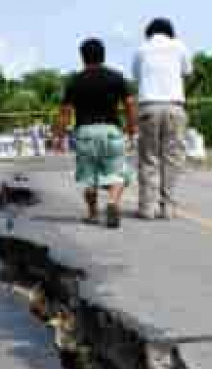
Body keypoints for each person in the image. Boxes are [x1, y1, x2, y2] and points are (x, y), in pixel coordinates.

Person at [56, 39, 138, 229]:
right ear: (103, 55)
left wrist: (59, 137)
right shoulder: (116, 77)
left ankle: (93, 214)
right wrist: (132, 129)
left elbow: (65, 112)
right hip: (111, 131)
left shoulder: (75, 81)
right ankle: (113, 202)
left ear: (82, 57)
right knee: (118, 174)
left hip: (85, 133)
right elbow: (130, 104)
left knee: (89, 178)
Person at [133, 18, 192, 219]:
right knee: (172, 158)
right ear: (170, 32)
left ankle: (147, 208)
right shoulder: (180, 46)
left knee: (149, 158)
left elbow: (136, 76)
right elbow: (187, 71)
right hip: (174, 106)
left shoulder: (141, 49)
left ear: (149, 33)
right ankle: (168, 207)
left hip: (149, 106)